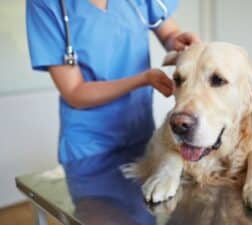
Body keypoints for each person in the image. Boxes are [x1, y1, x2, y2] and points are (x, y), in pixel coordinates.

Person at [26, 0, 200, 165]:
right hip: (89, 145)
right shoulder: (47, 4)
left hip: (140, 129)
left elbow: (169, 33)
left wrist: (177, 41)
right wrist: (144, 79)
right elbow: (74, 92)